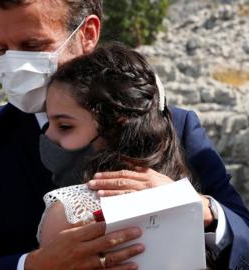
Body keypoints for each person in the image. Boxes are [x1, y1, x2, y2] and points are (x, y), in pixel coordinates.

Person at [0, 0, 249, 269]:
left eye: (32, 46)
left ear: (87, 34)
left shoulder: (174, 125)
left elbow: (243, 237)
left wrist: (199, 207)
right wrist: (33, 264)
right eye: (2, 49)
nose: (13, 64)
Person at [37, 43, 196, 248]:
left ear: (113, 125)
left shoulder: (67, 214)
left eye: (65, 126)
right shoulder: (184, 200)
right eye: (49, 123)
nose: (48, 136)